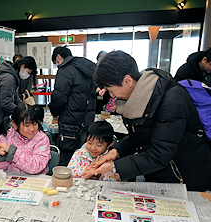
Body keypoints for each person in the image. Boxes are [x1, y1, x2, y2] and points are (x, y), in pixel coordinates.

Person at [85, 50, 211, 191]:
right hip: (158, 174)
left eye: (110, 89)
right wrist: (115, 152)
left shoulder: (171, 100)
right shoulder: (136, 100)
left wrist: (114, 167)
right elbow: (139, 138)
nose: (111, 94)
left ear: (127, 81)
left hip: (184, 177)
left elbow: (159, 154)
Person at [49, 46, 97, 166]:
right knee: (84, 158)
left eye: (56, 63)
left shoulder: (65, 70)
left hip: (69, 123)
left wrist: (54, 112)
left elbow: (58, 97)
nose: (57, 65)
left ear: (59, 57)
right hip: (87, 121)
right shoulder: (86, 67)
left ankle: (65, 184)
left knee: (66, 159)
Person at [0, 56, 37, 146]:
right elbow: (6, 103)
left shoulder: (12, 76)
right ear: (22, 66)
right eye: (28, 72)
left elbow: (15, 97)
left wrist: (25, 109)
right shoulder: (9, 79)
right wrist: (21, 113)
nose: (27, 75)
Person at [0, 103, 50, 174]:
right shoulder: (7, 136)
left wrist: (12, 152)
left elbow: (36, 167)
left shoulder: (41, 139)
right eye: (27, 125)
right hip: (11, 180)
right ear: (15, 125)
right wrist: (0, 158)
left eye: (35, 124)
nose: (31, 129)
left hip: (35, 181)